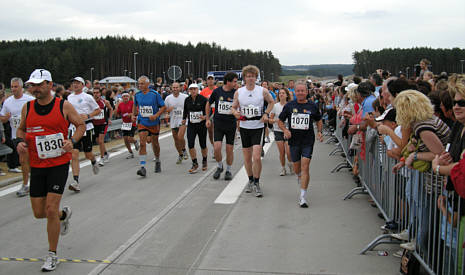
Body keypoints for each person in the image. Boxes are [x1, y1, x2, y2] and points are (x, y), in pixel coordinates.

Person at [17, 69, 86, 272]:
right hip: (37, 166)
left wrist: (72, 141)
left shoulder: (63, 105)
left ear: (50, 84)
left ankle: (52, 254)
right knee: (39, 213)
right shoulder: (28, 107)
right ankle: (63, 216)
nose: (35, 89)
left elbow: (80, 125)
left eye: (39, 84)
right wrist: (20, 142)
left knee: (49, 209)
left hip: (58, 164)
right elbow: (21, 129)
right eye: (32, 85)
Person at [278, 80, 323, 207]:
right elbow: (280, 121)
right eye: (298, 91)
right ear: (295, 92)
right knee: (297, 168)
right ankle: (299, 176)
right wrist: (285, 130)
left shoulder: (312, 106)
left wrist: (319, 131)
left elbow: (319, 120)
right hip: (294, 141)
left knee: (305, 166)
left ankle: (303, 196)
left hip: (308, 140)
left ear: (307, 92)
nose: (300, 93)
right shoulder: (289, 106)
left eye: (303, 90)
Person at [232, 65, 274, 197]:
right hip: (245, 127)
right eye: (248, 76)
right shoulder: (239, 92)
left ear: (256, 78)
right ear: (244, 78)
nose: (250, 78)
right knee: (247, 158)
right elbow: (233, 107)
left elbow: (272, 102)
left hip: (258, 126)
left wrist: (266, 113)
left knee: (256, 157)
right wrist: (235, 113)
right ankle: (250, 180)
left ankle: (257, 181)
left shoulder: (262, 91)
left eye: (253, 76)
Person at [0, 77, 35, 197]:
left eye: (16, 87)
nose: (14, 89)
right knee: (23, 160)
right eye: (12, 87)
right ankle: (26, 184)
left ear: (21, 87)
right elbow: (2, 117)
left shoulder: (30, 99)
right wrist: (5, 118)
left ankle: (34, 182)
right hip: (17, 136)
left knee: (31, 160)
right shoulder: (8, 102)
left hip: (31, 135)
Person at [67, 76, 101, 192]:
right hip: (74, 128)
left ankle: (93, 161)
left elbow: (98, 110)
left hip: (87, 127)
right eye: (73, 83)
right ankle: (76, 181)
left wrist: (87, 116)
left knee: (87, 154)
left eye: (77, 83)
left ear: (82, 85)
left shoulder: (88, 97)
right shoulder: (69, 97)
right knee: (74, 154)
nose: (75, 85)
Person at [206, 72, 238, 180]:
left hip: (231, 125)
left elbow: (240, 106)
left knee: (229, 149)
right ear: (228, 81)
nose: (236, 83)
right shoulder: (217, 91)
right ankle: (219, 166)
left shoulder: (236, 93)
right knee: (217, 147)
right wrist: (207, 118)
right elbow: (208, 104)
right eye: (234, 81)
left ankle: (228, 170)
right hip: (219, 124)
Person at [133, 76, 166, 177]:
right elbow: (135, 106)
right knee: (142, 143)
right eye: (139, 84)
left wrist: (156, 115)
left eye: (142, 84)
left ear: (148, 84)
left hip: (154, 123)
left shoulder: (154, 94)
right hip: (142, 122)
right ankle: (142, 167)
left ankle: (157, 160)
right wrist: (134, 115)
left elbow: (163, 107)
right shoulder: (137, 95)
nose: (140, 86)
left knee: (155, 143)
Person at [270, 88, 293, 176]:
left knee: (288, 152)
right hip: (278, 130)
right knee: (282, 152)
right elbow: (270, 119)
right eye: (280, 93)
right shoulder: (275, 106)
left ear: (287, 95)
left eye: (283, 93)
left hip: (288, 130)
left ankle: (290, 164)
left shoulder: (290, 105)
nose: (281, 95)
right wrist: (275, 121)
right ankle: (283, 168)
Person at [164, 82, 188, 164]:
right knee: (176, 139)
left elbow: (189, 107)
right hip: (173, 120)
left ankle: (184, 149)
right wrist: (168, 111)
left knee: (180, 137)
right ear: (171, 88)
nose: (175, 89)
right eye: (173, 87)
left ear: (180, 88)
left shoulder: (185, 97)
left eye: (177, 87)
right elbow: (165, 110)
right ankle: (180, 154)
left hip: (183, 119)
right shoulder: (168, 98)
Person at [92, 87, 113, 166]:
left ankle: (102, 158)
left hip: (103, 123)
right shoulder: (91, 102)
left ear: (100, 94)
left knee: (101, 141)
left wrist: (109, 118)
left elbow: (111, 109)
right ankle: (106, 153)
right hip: (95, 124)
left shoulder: (105, 102)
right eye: (94, 93)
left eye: (97, 93)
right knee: (98, 141)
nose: (96, 94)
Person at [116, 91, 139, 159]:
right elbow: (117, 114)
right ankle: (130, 152)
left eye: (127, 96)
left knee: (130, 138)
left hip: (132, 123)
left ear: (129, 97)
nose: (125, 97)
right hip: (125, 124)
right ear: (122, 97)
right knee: (125, 139)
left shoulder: (132, 103)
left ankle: (135, 141)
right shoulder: (120, 104)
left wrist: (131, 114)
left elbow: (137, 112)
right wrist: (116, 106)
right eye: (124, 96)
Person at [200, 75, 217, 155]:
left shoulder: (218, 90)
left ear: (214, 80)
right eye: (208, 79)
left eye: (211, 79)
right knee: (210, 132)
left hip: (217, 114)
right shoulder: (203, 91)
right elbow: (201, 105)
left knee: (217, 131)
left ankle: (216, 147)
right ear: (206, 81)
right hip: (208, 114)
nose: (210, 81)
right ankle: (214, 146)